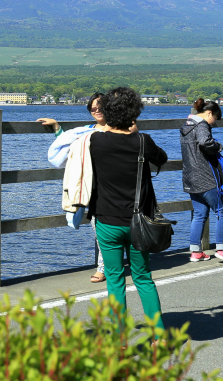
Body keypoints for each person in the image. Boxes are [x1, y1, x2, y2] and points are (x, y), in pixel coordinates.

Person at [88, 87, 167, 329]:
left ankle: (119, 339)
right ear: (134, 113)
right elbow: (161, 158)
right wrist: (136, 133)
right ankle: (158, 336)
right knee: (143, 278)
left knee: (114, 279)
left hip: (106, 219)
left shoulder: (95, 141)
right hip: (138, 221)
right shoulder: (143, 141)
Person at [38, 92, 109, 282]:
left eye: (101, 106)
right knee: (100, 228)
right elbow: (67, 149)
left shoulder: (120, 130)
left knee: (116, 229)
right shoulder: (85, 131)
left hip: (112, 185)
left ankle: (111, 266)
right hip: (92, 188)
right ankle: (103, 268)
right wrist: (57, 128)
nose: (97, 110)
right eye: (93, 107)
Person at [180, 98, 223, 263]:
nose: (214, 123)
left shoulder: (186, 126)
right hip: (206, 177)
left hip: (190, 178)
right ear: (209, 113)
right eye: (215, 119)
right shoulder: (201, 125)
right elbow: (205, 141)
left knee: (199, 214)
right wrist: (217, 146)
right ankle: (222, 248)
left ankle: (196, 251)